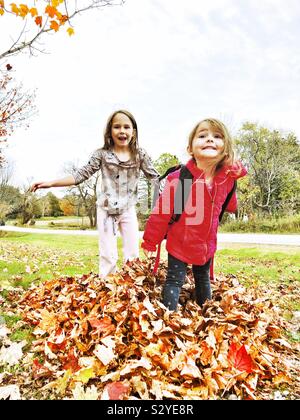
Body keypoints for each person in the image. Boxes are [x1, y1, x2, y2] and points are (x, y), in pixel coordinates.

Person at [31, 109, 159, 277]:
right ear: (110, 132)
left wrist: (182, 186)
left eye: (126, 127)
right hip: (106, 211)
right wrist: (51, 183)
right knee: (108, 256)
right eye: (117, 127)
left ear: (133, 132)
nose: (122, 131)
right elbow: (80, 175)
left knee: (132, 254)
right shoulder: (102, 155)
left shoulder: (140, 154)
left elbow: (156, 178)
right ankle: (107, 288)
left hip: (128, 209)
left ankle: (131, 291)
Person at [141, 118, 247, 311]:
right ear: (190, 148)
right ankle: (168, 317)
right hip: (179, 242)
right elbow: (161, 216)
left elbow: (230, 205)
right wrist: (150, 241)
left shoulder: (226, 180)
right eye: (202, 135)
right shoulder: (181, 180)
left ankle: (206, 315)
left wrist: (234, 172)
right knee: (175, 279)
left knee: (203, 278)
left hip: (205, 245)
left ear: (225, 148)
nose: (209, 139)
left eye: (217, 136)